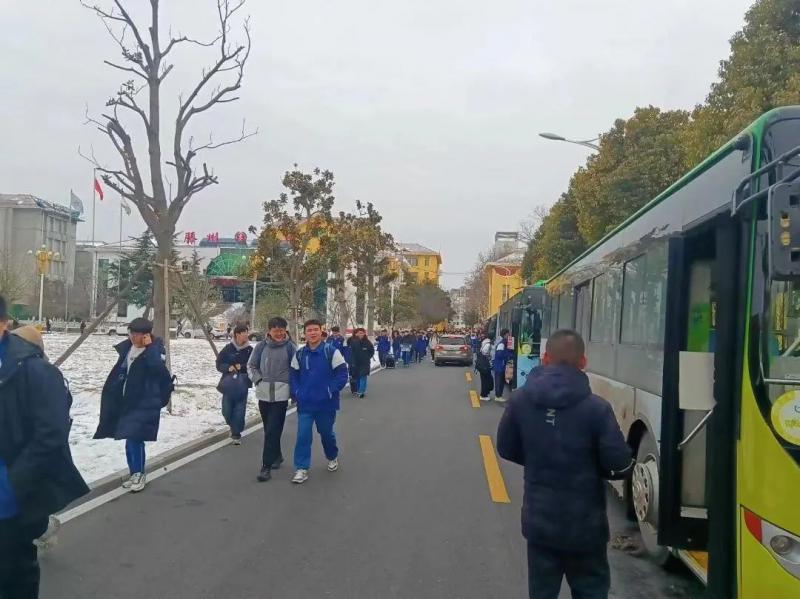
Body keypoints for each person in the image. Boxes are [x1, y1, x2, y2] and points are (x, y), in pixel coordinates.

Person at [497, 330, 633, 599]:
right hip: (586, 527)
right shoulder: (597, 408)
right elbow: (618, 463)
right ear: (583, 362)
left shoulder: (520, 400)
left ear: (545, 359)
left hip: (540, 523)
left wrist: (537, 457)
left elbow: (505, 448)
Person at [0, 295, 90, 598]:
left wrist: (11, 483)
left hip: (11, 498)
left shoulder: (36, 372)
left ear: (4, 325)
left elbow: (50, 435)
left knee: (12, 576)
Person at [95, 318, 172, 493]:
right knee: (129, 438)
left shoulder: (156, 350)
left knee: (134, 437)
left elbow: (158, 370)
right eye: (131, 333)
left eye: (136, 334)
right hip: (126, 400)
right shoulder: (128, 348)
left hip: (144, 401)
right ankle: (134, 473)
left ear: (146, 335)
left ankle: (138, 473)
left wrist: (150, 347)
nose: (132, 337)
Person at [289, 320, 348, 484]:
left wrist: (330, 390)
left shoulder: (331, 351)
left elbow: (342, 374)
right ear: (305, 333)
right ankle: (301, 468)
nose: (313, 333)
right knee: (303, 435)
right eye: (309, 330)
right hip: (305, 404)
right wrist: (297, 392)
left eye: (316, 329)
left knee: (326, 434)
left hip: (326, 404)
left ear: (321, 331)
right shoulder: (300, 354)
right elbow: (293, 376)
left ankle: (332, 456)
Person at [248, 317, 296, 482]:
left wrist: (293, 390)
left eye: (282, 330)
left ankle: (265, 466)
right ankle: (277, 455)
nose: (279, 333)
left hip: (281, 396)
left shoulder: (290, 347)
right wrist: (258, 380)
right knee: (270, 429)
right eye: (276, 331)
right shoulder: (261, 346)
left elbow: (296, 369)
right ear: (269, 331)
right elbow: (251, 366)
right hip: (264, 394)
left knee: (272, 430)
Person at [216, 324, 253, 445]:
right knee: (226, 410)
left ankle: (236, 433)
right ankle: (232, 425)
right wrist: (228, 367)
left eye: (247, 332)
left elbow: (253, 365)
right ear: (237, 334)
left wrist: (241, 366)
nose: (246, 335)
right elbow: (219, 364)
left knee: (240, 411)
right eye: (244, 333)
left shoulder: (250, 350)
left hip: (242, 384)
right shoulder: (228, 348)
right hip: (229, 384)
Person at [349, 328, 375, 398]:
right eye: (359, 333)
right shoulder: (354, 342)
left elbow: (372, 351)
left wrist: (367, 357)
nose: (361, 334)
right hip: (356, 363)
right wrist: (352, 362)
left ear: (364, 334)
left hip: (365, 363)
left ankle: (361, 391)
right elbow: (351, 353)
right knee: (357, 377)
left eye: (362, 333)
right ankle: (358, 390)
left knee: (363, 377)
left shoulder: (368, 342)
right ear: (357, 334)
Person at [493, 328, 511, 402]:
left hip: (502, 366)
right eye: (508, 334)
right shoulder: (501, 344)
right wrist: (508, 355)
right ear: (505, 334)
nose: (509, 335)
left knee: (501, 381)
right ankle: (498, 396)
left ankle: (499, 395)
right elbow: (499, 354)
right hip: (499, 366)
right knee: (499, 381)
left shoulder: (505, 342)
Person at [476, 334, 494, 401]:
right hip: (485, 365)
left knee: (485, 379)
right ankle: (483, 395)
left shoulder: (485, 342)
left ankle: (485, 393)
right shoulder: (488, 344)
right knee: (486, 380)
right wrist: (488, 356)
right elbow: (484, 352)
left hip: (483, 364)